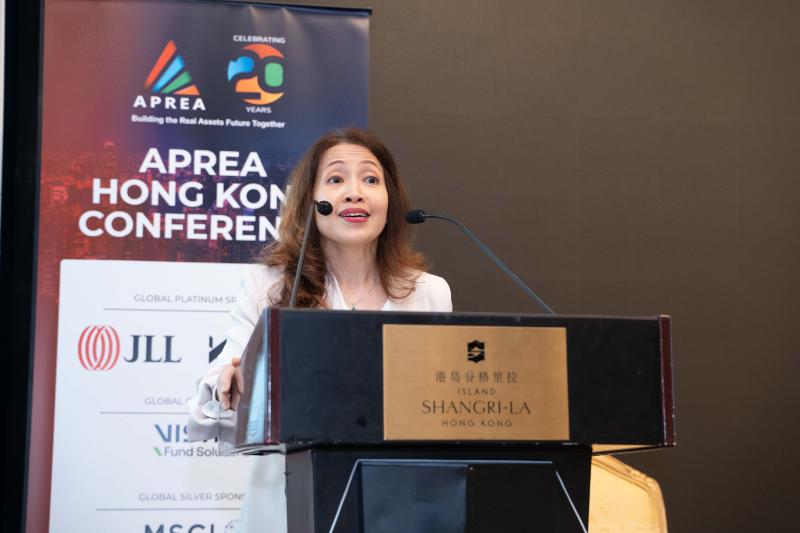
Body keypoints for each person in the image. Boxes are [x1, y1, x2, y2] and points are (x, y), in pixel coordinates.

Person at [187, 127, 452, 532]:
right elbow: (225, 371)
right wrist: (230, 381)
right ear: (310, 201)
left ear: (390, 200)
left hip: (397, 502)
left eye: (371, 179)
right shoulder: (270, 286)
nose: (354, 193)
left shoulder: (429, 292)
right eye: (335, 179)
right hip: (288, 502)